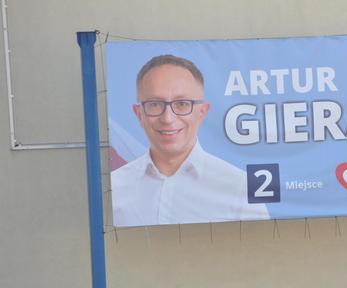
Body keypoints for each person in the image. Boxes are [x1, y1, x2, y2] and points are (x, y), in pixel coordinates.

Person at [111, 54, 269, 227]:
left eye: (182, 104)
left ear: (202, 112)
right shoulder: (112, 188)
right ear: (139, 113)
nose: (168, 118)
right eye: (155, 104)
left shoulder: (240, 188)